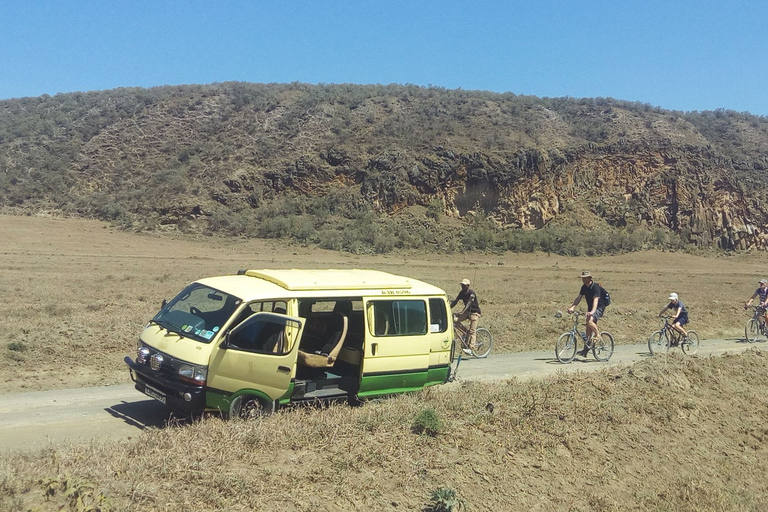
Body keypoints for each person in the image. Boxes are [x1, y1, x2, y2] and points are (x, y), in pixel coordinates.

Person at [566, 271, 604, 357]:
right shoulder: (584, 287)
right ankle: (586, 349)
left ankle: (598, 335)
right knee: (587, 328)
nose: (583, 279)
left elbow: (596, 300)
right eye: (582, 278)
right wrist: (572, 307)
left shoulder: (595, 287)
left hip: (599, 307)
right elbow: (579, 298)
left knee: (589, 320)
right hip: (591, 308)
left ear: (589, 278)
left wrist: (592, 312)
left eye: (584, 278)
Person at [451, 278, 481, 355]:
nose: (462, 287)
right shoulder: (462, 293)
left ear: (468, 286)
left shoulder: (472, 294)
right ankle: (465, 332)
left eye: (464, 285)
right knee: (455, 320)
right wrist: (448, 307)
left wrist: (462, 312)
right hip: (467, 312)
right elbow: (456, 301)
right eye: (462, 285)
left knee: (472, 331)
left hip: (475, 313)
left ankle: (471, 349)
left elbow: (468, 304)